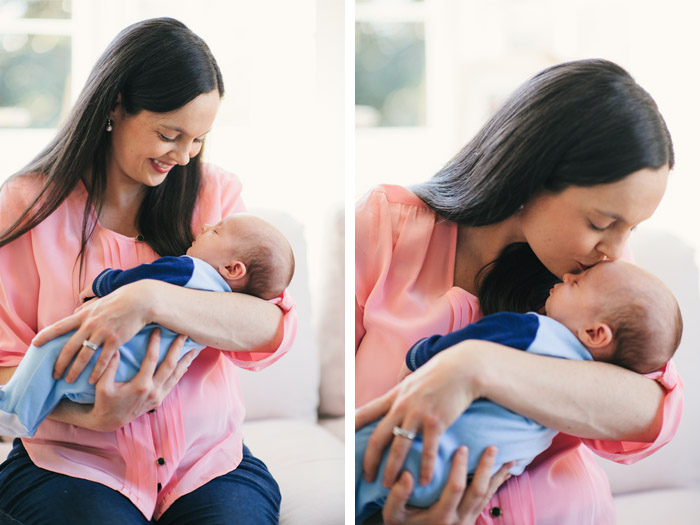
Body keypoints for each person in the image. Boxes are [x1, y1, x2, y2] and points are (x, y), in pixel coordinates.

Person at [355, 58, 683, 525]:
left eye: (630, 229)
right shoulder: (384, 229)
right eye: (601, 223)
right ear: (529, 177)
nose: (615, 249)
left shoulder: (597, 273)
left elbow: (650, 409)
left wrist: (476, 365)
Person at [0, 18, 296, 524]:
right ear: (115, 105)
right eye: (169, 134)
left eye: (199, 139)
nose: (184, 157)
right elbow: (6, 363)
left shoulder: (214, 197)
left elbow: (267, 326)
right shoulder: (29, 205)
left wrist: (149, 300)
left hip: (207, 466)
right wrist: (92, 416)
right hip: (73, 464)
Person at [355, 260, 683, 522]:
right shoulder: (583, 370)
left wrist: (418, 356)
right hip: (463, 479)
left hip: (425, 456)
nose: (569, 275)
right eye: (600, 221)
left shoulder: (531, 328)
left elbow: (656, 409)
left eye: (577, 283)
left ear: (596, 333)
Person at [0, 213, 295, 437]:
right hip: (133, 376)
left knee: (48, 347)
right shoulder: (221, 304)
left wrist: (101, 284)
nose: (204, 227)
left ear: (233, 268)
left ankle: (16, 410)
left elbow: (136, 277)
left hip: (107, 357)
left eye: (215, 231)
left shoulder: (188, 269)